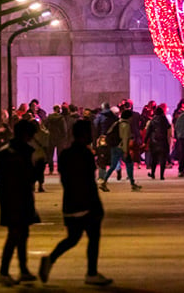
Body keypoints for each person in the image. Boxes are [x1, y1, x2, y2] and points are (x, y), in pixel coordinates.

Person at [39, 120, 112, 287]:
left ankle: (50, 259)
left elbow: (65, 179)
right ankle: (91, 273)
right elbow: (88, 181)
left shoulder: (65, 154)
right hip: (86, 203)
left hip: (70, 202)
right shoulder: (85, 154)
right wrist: (96, 205)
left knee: (73, 238)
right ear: (85, 135)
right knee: (93, 237)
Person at [0, 119, 41, 286]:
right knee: (16, 235)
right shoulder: (19, 153)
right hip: (17, 198)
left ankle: (23, 270)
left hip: (13, 198)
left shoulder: (8, 151)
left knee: (21, 235)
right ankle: (4, 271)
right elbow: (27, 177)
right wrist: (38, 169)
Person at [98, 108, 141, 192]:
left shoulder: (116, 123)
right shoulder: (126, 125)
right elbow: (125, 138)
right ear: (129, 117)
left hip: (114, 147)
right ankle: (132, 184)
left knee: (113, 165)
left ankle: (104, 182)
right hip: (121, 147)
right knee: (129, 164)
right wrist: (126, 151)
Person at [144, 104, 171, 179]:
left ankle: (153, 173)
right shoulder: (164, 119)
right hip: (163, 142)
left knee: (154, 159)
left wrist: (145, 141)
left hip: (154, 142)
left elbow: (148, 132)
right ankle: (162, 176)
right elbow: (169, 127)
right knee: (163, 159)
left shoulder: (152, 120)